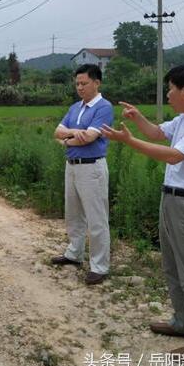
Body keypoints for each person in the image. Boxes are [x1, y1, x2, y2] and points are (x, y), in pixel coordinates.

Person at [101, 64, 184, 356]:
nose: (168, 95)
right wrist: (138, 118)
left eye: (171, 89)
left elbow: (173, 156)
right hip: (171, 199)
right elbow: (156, 134)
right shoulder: (182, 121)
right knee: (172, 265)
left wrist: (128, 141)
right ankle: (182, 322)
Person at [52, 64, 114, 285]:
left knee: (96, 217)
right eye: (77, 83)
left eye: (84, 83)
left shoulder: (104, 107)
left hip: (92, 167)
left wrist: (67, 139)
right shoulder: (75, 107)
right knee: (73, 213)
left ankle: (99, 266)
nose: (80, 87)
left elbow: (88, 138)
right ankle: (74, 253)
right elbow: (56, 132)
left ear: (96, 83)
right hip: (72, 165)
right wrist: (72, 134)